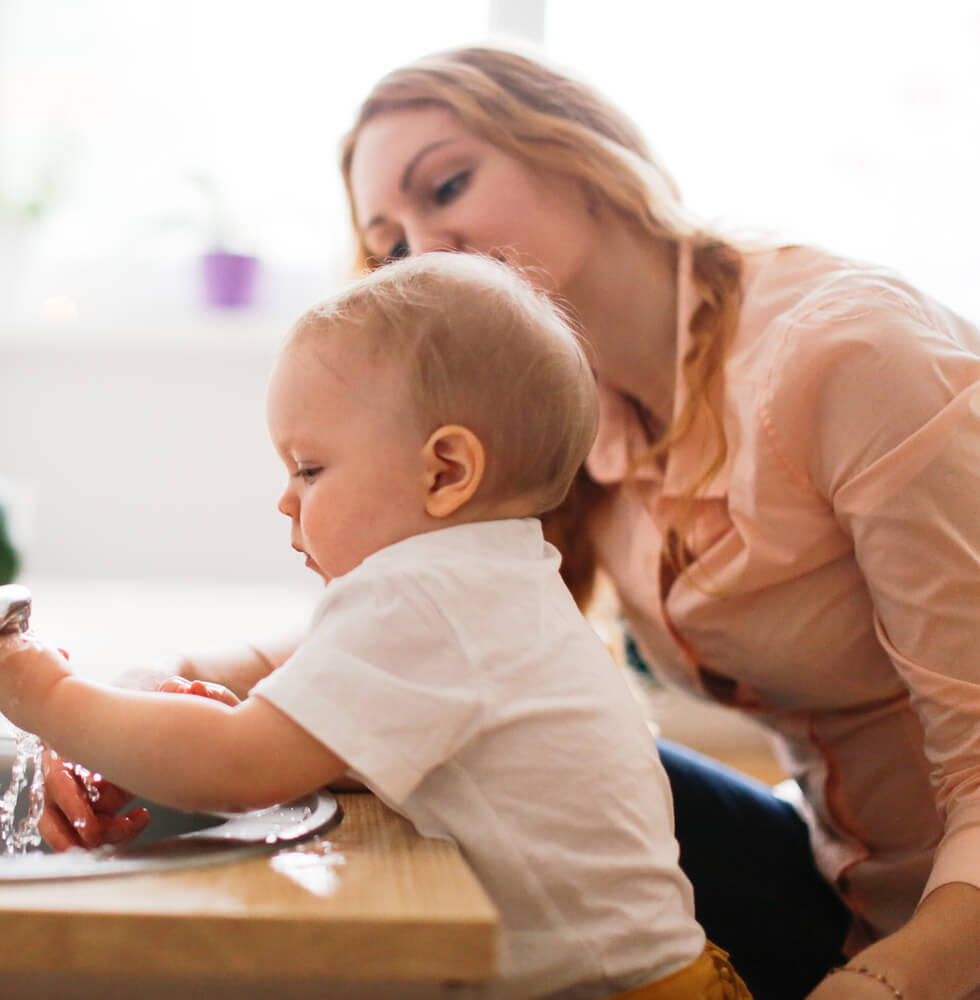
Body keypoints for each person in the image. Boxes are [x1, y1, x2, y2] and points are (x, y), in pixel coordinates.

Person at [53, 42, 980, 1000]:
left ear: (579, 150)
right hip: (829, 883)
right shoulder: (549, 426)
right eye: (391, 243)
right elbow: (390, 641)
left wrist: (889, 982)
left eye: (447, 184)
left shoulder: (852, 355)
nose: (427, 248)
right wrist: (155, 689)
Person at [0, 252, 751, 1000]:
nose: (286, 501)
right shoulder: (492, 580)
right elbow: (254, 663)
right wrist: (149, 690)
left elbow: (235, 766)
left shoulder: (427, 596)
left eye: (309, 469)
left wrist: (46, 696)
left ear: (445, 472)